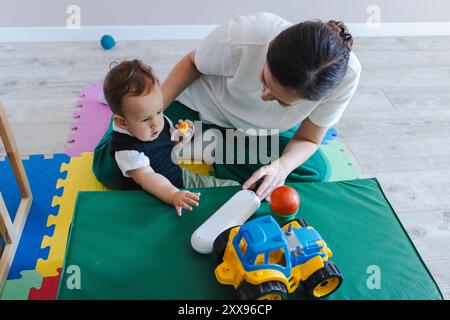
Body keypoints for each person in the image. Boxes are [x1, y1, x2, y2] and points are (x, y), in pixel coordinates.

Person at [161, 12, 361, 201]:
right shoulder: (245, 35)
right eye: (265, 80)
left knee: (316, 170)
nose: (263, 96)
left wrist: (281, 168)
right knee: (147, 143)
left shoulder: (345, 77)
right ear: (270, 48)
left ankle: (212, 148)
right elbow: (192, 63)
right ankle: (214, 149)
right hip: (200, 113)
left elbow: (308, 138)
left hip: (259, 134)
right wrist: (155, 111)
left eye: (280, 101)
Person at [92, 60, 239, 216]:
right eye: (145, 119)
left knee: (232, 188)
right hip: (151, 195)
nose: (156, 124)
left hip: (179, 177)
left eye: (159, 111)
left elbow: (168, 147)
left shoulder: (158, 121)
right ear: (122, 122)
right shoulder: (126, 149)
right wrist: (173, 195)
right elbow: (147, 177)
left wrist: (180, 138)